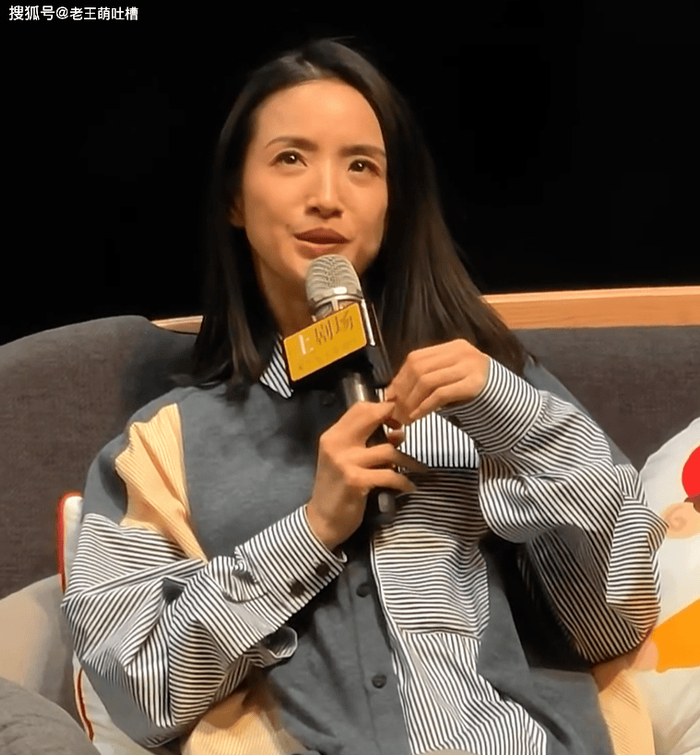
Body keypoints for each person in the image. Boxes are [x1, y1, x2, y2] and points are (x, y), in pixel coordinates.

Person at [62, 38, 667, 755]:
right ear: (234, 197)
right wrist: (311, 530)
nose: (328, 195)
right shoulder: (165, 443)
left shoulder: (494, 390)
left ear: (391, 202)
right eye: (291, 158)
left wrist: (516, 421)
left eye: (361, 166)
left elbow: (611, 622)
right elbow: (139, 694)